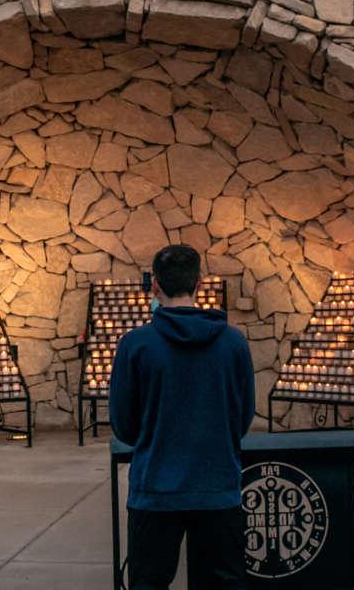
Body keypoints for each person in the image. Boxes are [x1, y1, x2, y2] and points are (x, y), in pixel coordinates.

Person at [109, 245, 255, 590]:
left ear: (155, 285)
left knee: (149, 581)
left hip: (156, 488)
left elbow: (123, 424)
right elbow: (243, 416)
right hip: (218, 487)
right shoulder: (233, 344)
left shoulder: (136, 345)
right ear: (199, 283)